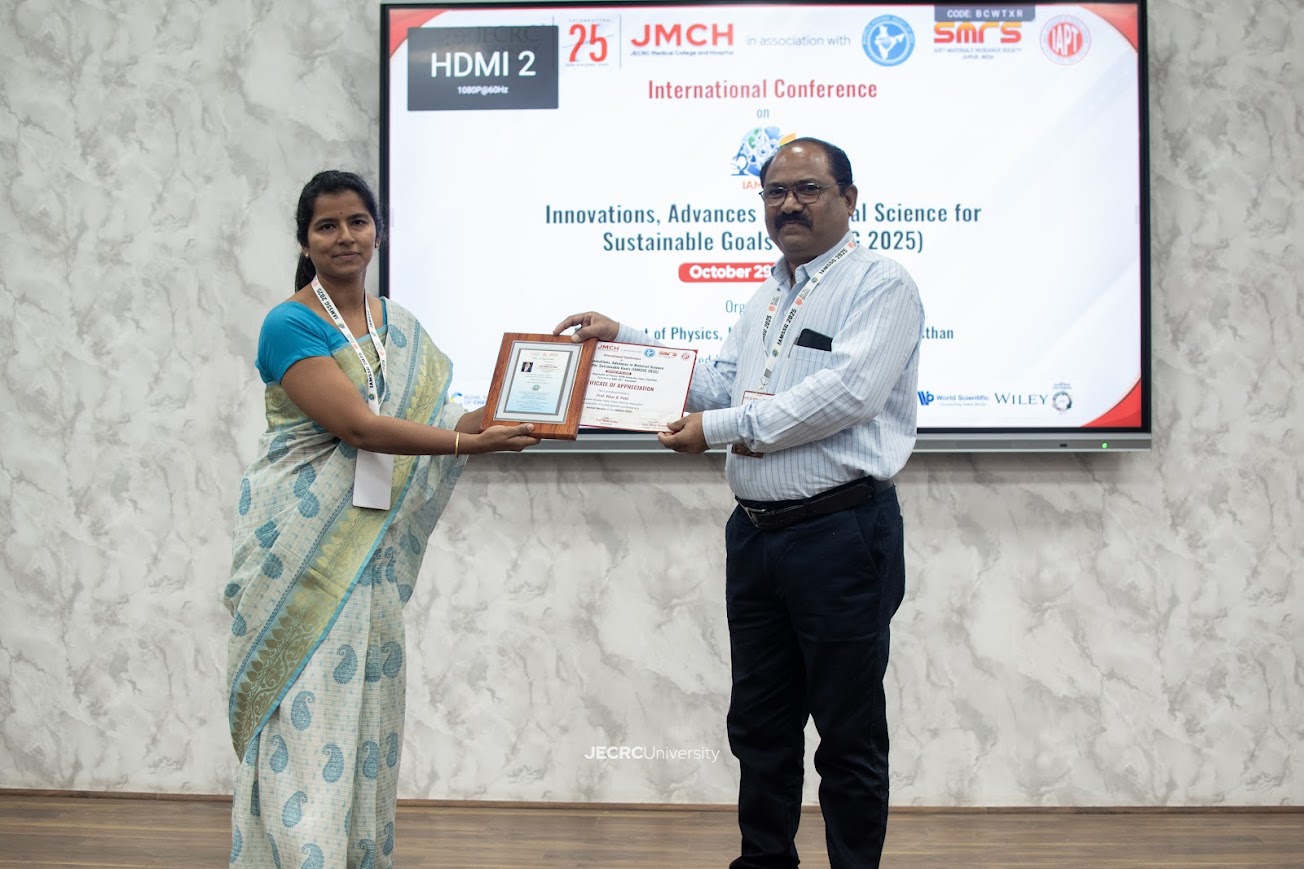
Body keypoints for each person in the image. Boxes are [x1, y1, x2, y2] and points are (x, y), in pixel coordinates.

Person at [555, 138, 923, 868]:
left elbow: (846, 395)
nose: (789, 204)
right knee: (759, 724)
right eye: (775, 191)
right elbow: (724, 383)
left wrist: (719, 430)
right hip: (756, 537)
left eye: (808, 189)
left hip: (841, 535)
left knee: (847, 733)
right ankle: (763, 862)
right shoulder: (769, 293)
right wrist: (623, 341)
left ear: (849, 199)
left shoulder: (882, 285)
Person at [224, 170, 539, 869]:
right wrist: (468, 444)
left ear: (378, 231)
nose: (345, 237)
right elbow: (360, 427)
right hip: (298, 546)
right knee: (302, 712)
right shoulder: (290, 323)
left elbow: (445, 416)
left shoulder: (401, 329)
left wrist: (536, 398)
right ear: (305, 240)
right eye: (327, 225)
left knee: (365, 712)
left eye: (357, 222)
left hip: (368, 554)